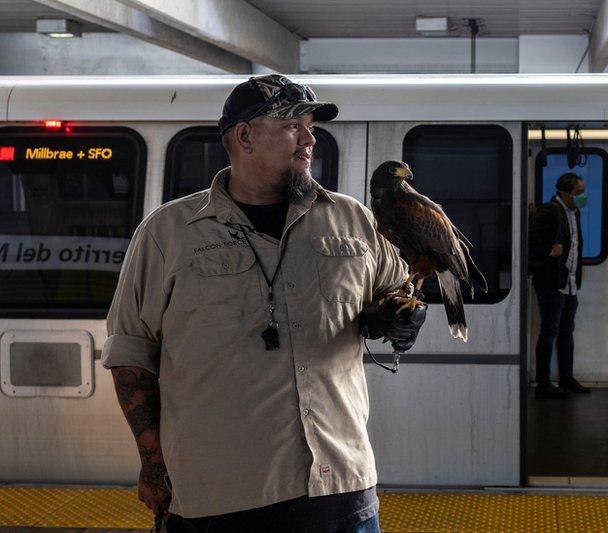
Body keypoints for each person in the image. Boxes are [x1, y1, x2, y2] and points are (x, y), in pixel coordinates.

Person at [102, 74, 424, 532]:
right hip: (219, 499)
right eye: (292, 125)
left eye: (311, 125)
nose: (310, 138)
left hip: (340, 492)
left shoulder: (353, 219)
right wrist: (153, 463)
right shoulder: (167, 233)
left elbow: (395, 290)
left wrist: (399, 315)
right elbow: (131, 355)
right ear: (245, 135)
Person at [528, 172, 591, 399]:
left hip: (570, 283)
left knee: (566, 332)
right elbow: (530, 239)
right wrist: (548, 251)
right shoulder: (549, 211)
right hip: (551, 284)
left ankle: (567, 378)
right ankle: (543, 384)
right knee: (549, 331)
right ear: (564, 193)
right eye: (578, 193)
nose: (582, 197)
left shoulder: (574, 213)